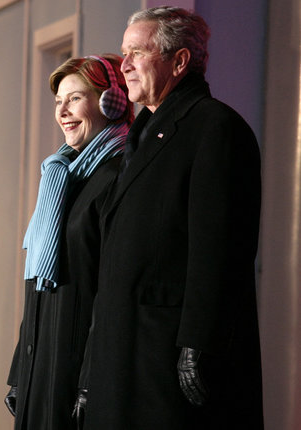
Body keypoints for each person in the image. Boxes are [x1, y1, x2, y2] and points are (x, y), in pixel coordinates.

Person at [74, 6, 263, 430]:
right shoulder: (139, 134)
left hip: (166, 361)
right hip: (119, 357)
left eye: (137, 53)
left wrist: (199, 344)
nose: (123, 66)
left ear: (179, 62)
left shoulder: (215, 128)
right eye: (124, 53)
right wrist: (91, 366)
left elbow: (221, 251)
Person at [5, 54, 133, 430]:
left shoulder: (119, 177)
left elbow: (111, 293)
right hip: (40, 364)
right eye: (59, 102)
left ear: (113, 102)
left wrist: (90, 380)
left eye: (75, 99)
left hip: (76, 371)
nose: (63, 111)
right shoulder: (61, 177)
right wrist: (19, 371)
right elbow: (38, 288)